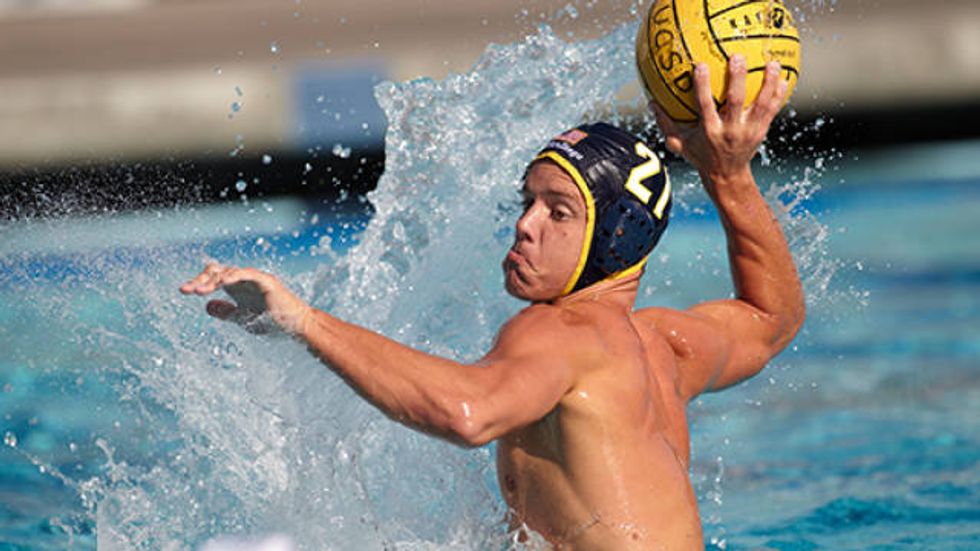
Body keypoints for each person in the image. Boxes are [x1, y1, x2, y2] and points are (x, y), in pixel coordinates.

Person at [180, 55, 804, 550]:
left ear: (613, 238)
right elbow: (772, 319)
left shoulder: (561, 334)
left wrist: (302, 319)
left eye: (557, 211)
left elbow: (468, 413)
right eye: (527, 201)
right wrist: (730, 175)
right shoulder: (663, 346)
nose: (525, 225)